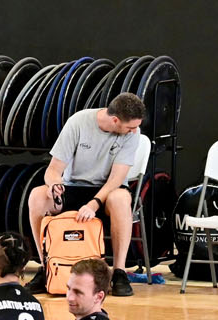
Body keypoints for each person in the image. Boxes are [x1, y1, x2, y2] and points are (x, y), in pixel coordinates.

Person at [27, 92, 145, 297]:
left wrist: (94, 204)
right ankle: (45, 267)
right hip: (74, 186)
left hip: (106, 190)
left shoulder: (131, 136)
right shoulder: (78, 122)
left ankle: (118, 272)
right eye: (131, 127)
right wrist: (54, 184)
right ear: (115, 120)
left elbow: (116, 179)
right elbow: (53, 170)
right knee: (37, 196)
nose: (135, 131)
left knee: (120, 198)